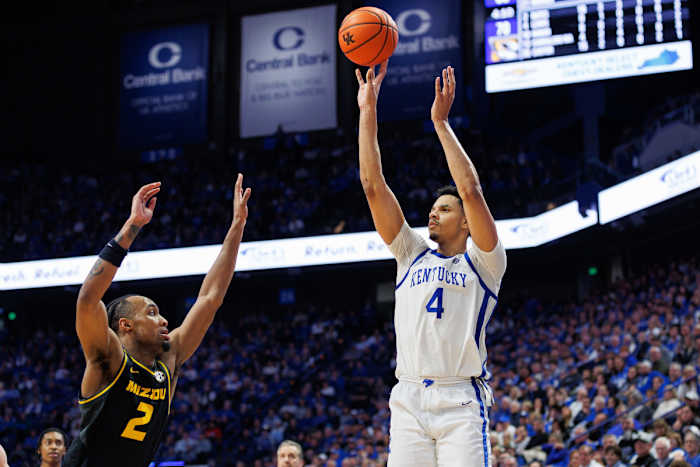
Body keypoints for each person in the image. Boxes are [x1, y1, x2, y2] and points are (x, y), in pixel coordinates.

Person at [356, 62, 506, 466]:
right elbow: (373, 186)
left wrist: (440, 122)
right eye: (432, 208)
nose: (433, 214)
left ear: (466, 223)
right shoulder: (410, 253)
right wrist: (367, 111)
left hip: (459, 399)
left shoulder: (485, 263)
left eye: (444, 208)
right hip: (408, 398)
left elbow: (471, 190)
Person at [64, 176, 251, 466]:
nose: (164, 320)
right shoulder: (108, 359)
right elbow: (88, 300)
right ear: (125, 325)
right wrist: (132, 226)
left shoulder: (168, 358)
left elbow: (210, 298)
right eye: (151, 313)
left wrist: (237, 228)